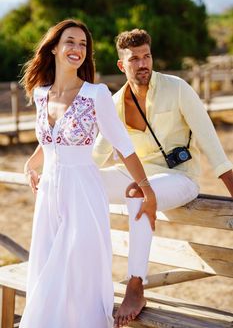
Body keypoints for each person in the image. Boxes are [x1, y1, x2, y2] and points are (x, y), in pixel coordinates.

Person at [20, 20, 157, 328]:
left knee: (78, 274)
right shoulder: (41, 94)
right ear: (54, 47)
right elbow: (49, 141)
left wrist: (147, 189)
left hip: (82, 193)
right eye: (71, 42)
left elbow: (123, 146)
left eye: (83, 45)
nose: (78, 49)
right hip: (48, 199)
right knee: (46, 273)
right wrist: (31, 165)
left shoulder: (96, 94)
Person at [93, 28, 233, 327]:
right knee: (84, 182)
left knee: (137, 191)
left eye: (147, 56)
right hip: (140, 176)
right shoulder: (116, 103)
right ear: (122, 65)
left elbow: (210, 141)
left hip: (179, 178)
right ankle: (82, 272)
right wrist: (60, 175)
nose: (143, 64)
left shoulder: (177, 88)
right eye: (134, 59)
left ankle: (135, 285)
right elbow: (98, 153)